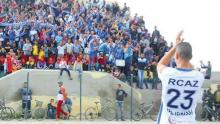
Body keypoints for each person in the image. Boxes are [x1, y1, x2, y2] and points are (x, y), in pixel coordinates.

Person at [157, 31, 204, 124]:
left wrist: (176, 46)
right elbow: (192, 68)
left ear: (177, 56)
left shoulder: (168, 73)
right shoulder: (199, 76)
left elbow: (160, 64)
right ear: (191, 57)